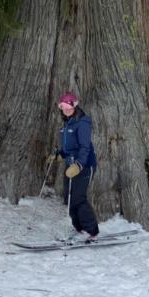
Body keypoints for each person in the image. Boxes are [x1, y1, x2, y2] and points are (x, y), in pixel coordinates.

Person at [51, 91, 99, 241]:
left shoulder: (82, 122)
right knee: (69, 198)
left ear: (75, 106)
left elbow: (84, 147)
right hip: (70, 166)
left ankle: (91, 231)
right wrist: (60, 154)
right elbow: (69, 148)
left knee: (78, 198)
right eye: (64, 107)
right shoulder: (67, 123)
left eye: (69, 107)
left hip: (84, 166)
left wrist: (79, 164)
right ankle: (79, 229)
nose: (66, 110)